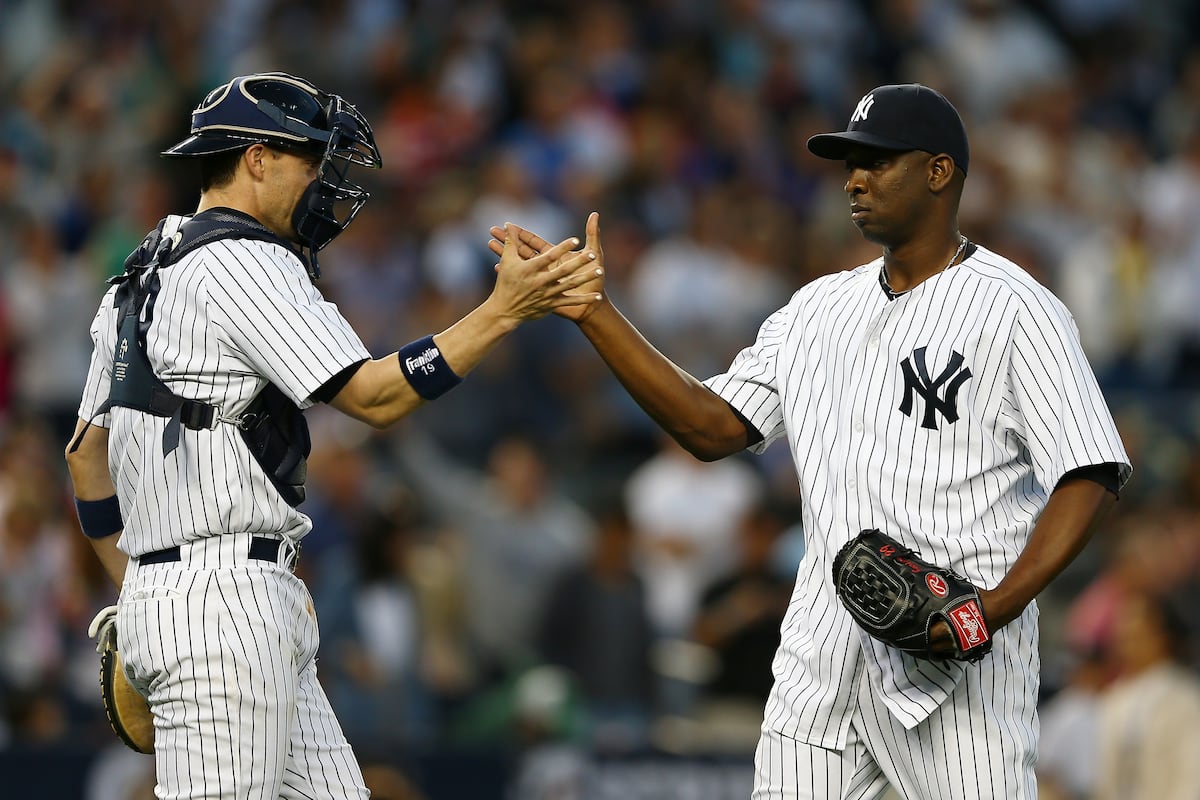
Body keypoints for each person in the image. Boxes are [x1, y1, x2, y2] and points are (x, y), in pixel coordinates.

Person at [491, 83, 1131, 799]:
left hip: (958, 676)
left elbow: (1090, 469)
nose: (855, 179)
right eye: (850, 164)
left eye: (878, 161)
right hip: (821, 663)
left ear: (939, 171)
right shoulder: (816, 309)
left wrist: (993, 608)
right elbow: (711, 426)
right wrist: (595, 313)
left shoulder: (1016, 307)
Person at [63, 72, 601, 799]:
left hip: (202, 593)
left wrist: (141, 596)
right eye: (309, 160)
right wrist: (501, 311)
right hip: (224, 604)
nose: (321, 181)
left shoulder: (141, 270)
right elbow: (375, 396)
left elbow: (85, 459)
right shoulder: (246, 258)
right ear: (256, 158)